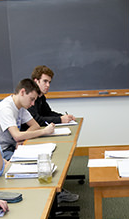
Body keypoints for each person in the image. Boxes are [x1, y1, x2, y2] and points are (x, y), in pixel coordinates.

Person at [28, 65, 79, 203]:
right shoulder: (30, 97)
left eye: (49, 82)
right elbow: (37, 120)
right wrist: (59, 120)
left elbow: (47, 113)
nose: (48, 85)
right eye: (45, 81)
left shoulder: (41, 97)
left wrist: (64, 118)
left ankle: (57, 188)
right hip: (29, 137)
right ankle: (54, 195)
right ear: (36, 81)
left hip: (40, 134)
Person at [0, 78, 55, 161]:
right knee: (34, 159)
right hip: (2, 152)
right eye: (31, 99)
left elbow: (35, 125)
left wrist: (22, 138)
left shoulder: (21, 107)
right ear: (22, 92)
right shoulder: (5, 108)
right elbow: (17, 136)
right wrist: (44, 131)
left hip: (13, 147)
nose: (33, 104)